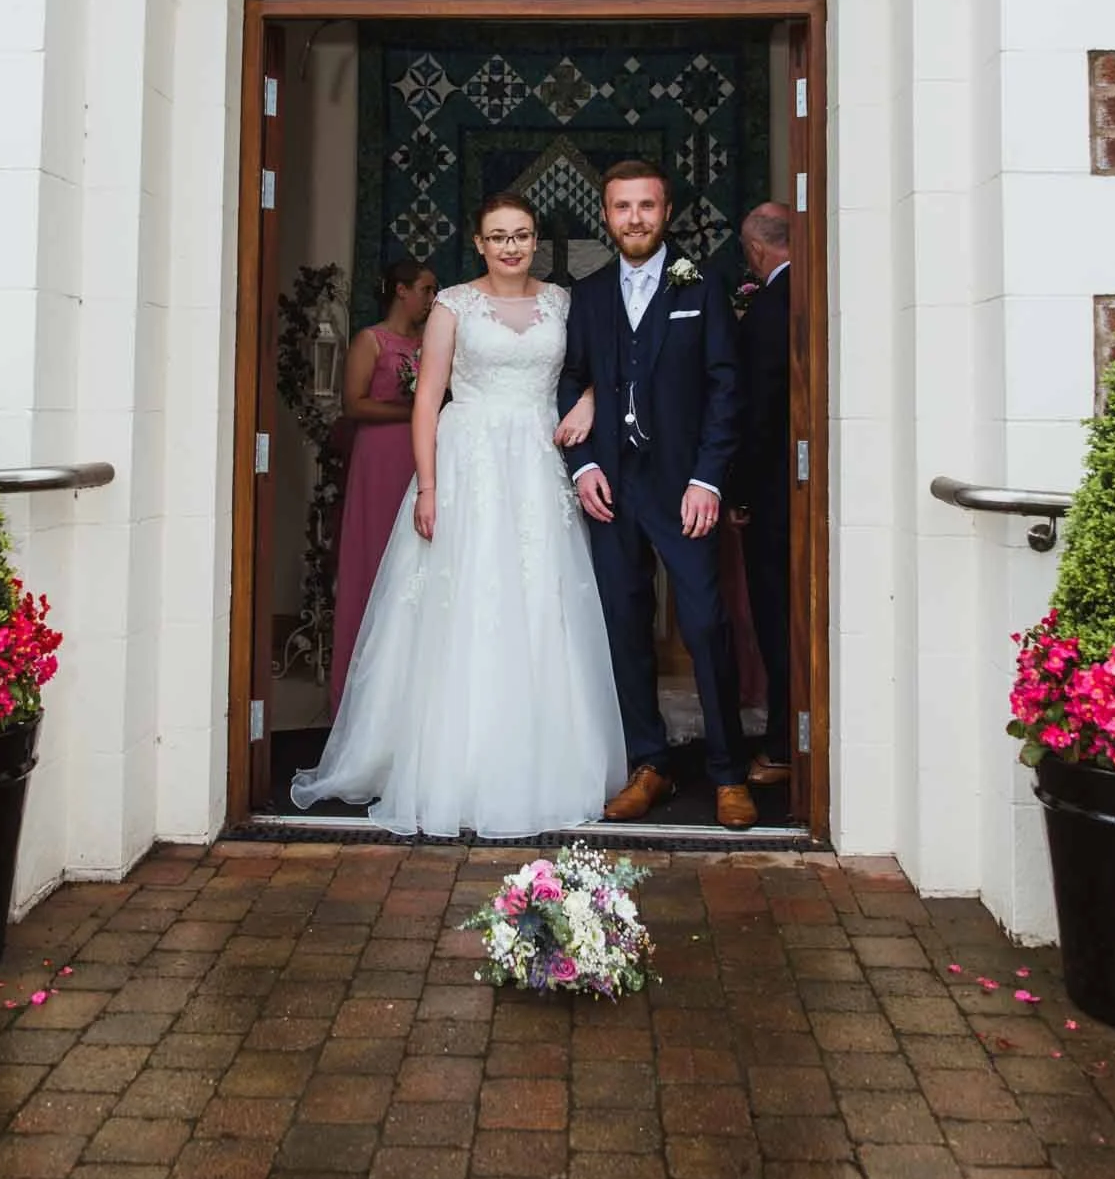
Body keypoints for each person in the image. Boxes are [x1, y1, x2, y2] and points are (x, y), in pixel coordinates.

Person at [291, 193, 626, 837]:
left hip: (537, 457)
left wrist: (585, 401)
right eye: (498, 236)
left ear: (535, 241)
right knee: (469, 597)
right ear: (478, 242)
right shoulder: (452, 306)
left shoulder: (562, 302)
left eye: (522, 236)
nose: (510, 247)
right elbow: (427, 401)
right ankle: (456, 761)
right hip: (470, 457)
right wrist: (427, 484)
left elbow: (599, 370)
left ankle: (543, 758)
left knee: (540, 598)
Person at [557, 160, 757, 831]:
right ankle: (650, 764)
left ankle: (728, 772)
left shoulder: (702, 284)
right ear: (606, 215)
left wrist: (707, 479)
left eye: (646, 206)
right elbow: (570, 382)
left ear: (665, 212)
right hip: (611, 487)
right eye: (621, 207)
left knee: (704, 625)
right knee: (623, 624)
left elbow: (727, 388)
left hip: (682, 486)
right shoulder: (585, 296)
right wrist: (582, 466)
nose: (634, 218)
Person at [328, 257, 438, 714]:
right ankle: (359, 696)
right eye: (427, 290)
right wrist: (411, 413)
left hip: (420, 456)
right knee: (374, 557)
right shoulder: (370, 340)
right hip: (379, 457)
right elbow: (352, 403)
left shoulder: (431, 343)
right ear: (401, 290)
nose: (432, 300)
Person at [732, 203, 793, 787]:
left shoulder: (767, 312)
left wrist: (739, 494)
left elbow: (755, 417)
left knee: (777, 616)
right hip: (815, 488)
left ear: (754, 251)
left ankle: (781, 746)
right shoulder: (824, 291)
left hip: (776, 494)